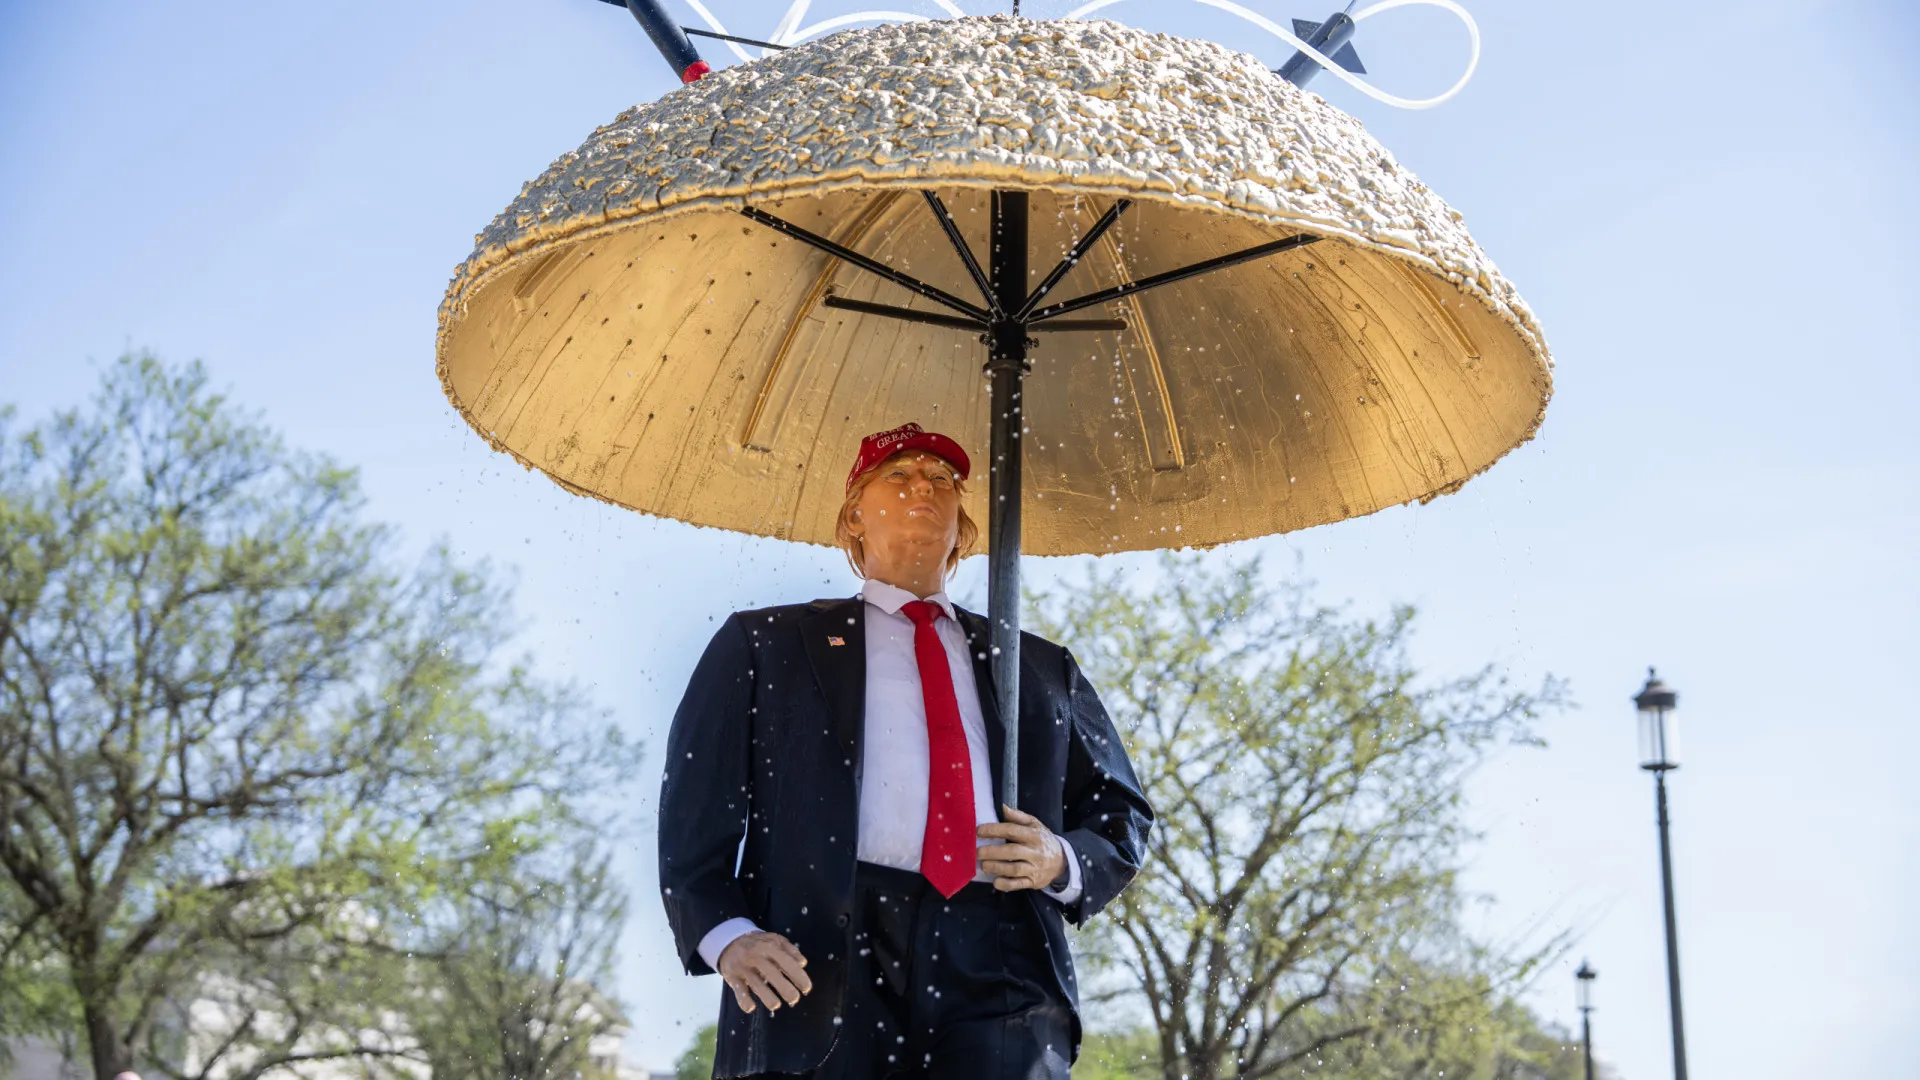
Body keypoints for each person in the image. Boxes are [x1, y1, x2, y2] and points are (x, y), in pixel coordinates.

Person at [659, 422, 1154, 1079]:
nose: (923, 485)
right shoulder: (764, 645)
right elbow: (694, 821)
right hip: (817, 953)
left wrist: (1060, 858)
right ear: (853, 518)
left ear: (963, 529)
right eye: (897, 475)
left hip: (1000, 950)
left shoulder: (1039, 666)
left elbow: (1123, 816)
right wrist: (726, 936)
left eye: (943, 480)